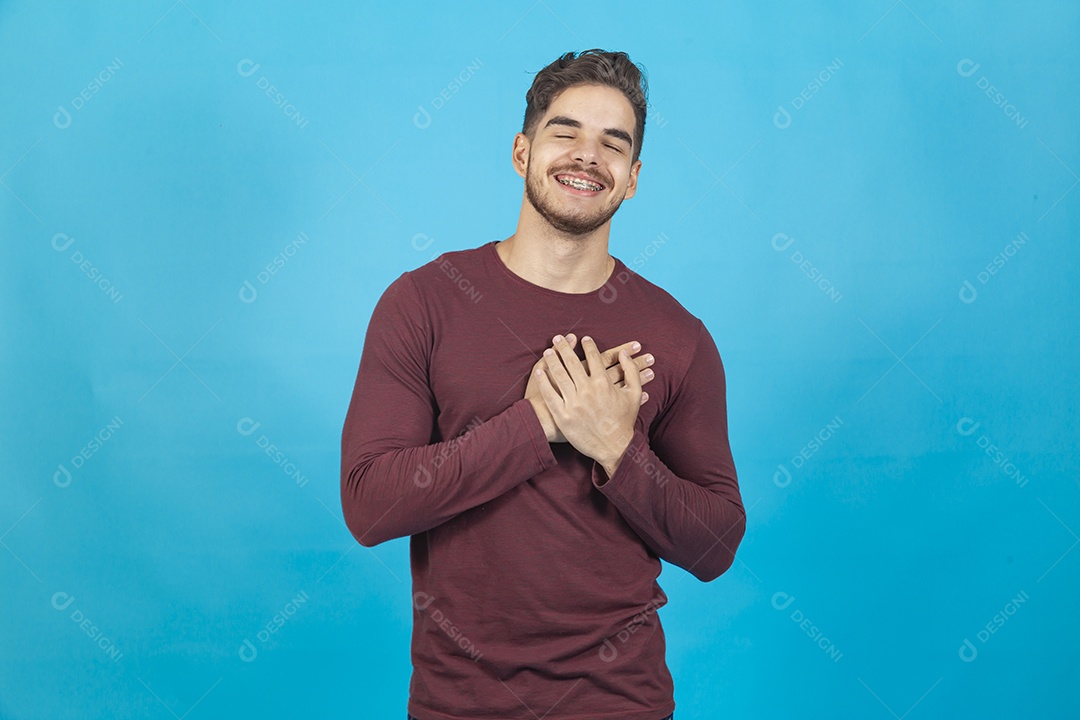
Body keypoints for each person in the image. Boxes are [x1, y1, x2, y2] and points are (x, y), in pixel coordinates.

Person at [341, 48, 745, 720]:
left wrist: (618, 448)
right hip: (457, 704)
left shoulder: (680, 337)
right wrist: (537, 426)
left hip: (622, 703)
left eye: (613, 144)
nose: (588, 156)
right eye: (566, 133)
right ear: (522, 153)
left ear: (634, 178)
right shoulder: (423, 304)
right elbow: (371, 506)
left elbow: (714, 547)